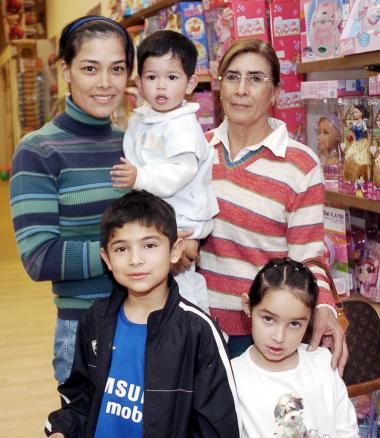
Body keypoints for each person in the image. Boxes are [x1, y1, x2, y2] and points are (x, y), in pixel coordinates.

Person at [196, 38, 348, 372]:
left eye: (255, 79)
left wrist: (324, 306)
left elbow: (308, 255)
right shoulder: (196, 152)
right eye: (232, 77)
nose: (241, 89)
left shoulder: (299, 164)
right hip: (197, 324)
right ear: (220, 88)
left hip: (262, 334)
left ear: (276, 92)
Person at [44, 190, 241, 438]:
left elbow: (217, 426)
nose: (135, 259)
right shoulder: (95, 320)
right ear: (106, 258)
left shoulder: (198, 331)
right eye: (121, 249)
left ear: (175, 250)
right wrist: (62, 429)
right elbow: (79, 396)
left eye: (149, 245)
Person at [9, 16, 135, 384]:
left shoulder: (133, 144)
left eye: (117, 69)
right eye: (90, 68)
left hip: (148, 323)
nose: (104, 83)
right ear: (66, 69)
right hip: (85, 330)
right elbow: (38, 257)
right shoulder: (39, 151)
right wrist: (127, 255)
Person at [111, 30, 219, 313]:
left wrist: (140, 178)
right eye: (151, 77)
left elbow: (177, 173)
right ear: (138, 82)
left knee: (183, 288)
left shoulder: (183, 125)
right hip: (157, 215)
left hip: (185, 217)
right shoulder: (141, 120)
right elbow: (133, 155)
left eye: (171, 78)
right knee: (156, 287)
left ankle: (198, 329)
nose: (161, 87)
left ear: (189, 83)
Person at [231, 258, 359, 437]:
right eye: (268, 319)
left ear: (311, 319)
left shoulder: (323, 363)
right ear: (248, 306)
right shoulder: (233, 376)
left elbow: (347, 431)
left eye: (294, 324)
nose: (279, 337)